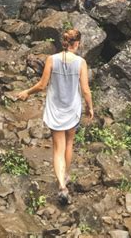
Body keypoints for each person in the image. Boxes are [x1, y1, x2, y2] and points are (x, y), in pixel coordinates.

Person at [16, 29, 93, 205]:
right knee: (69, 143)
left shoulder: (51, 59)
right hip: (72, 109)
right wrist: (90, 108)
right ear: (77, 43)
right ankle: (65, 176)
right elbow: (86, 90)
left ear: (64, 43)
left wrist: (27, 92)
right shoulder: (81, 62)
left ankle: (61, 187)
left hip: (55, 109)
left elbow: (42, 85)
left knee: (58, 148)